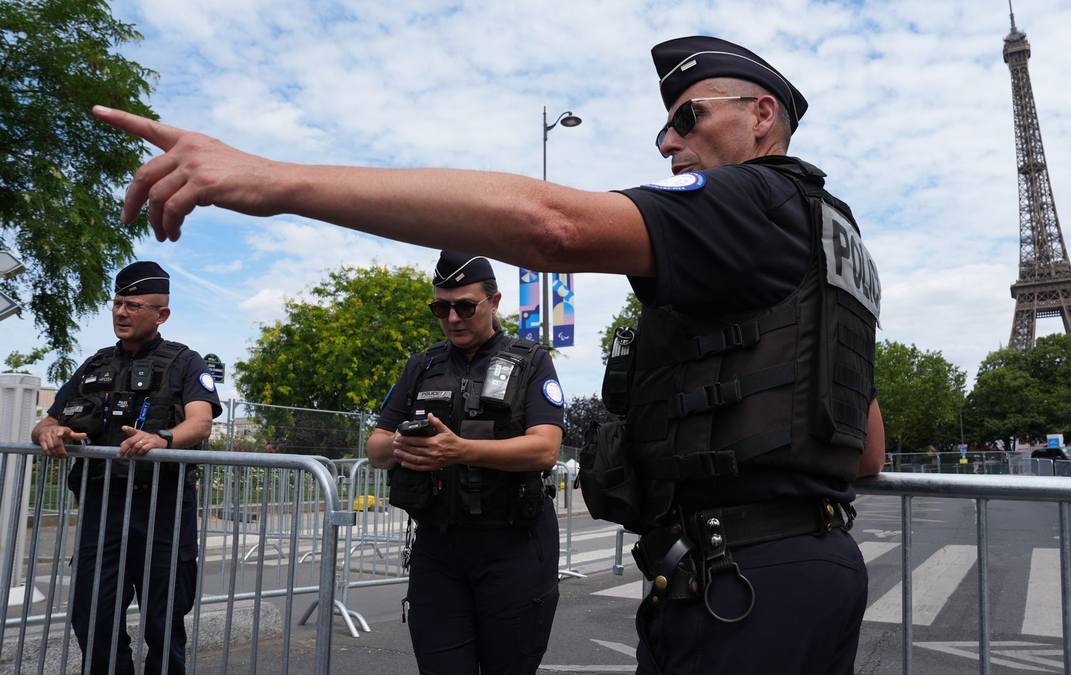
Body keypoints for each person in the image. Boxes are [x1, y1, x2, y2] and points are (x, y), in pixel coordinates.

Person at [95, 33, 886, 674]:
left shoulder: (753, 201)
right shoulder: (833, 240)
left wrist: (271, 182)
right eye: (663, 128)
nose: (668, 142)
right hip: (806, 567)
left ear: (761, 114)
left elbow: (553, 228)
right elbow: (865, 449)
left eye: (687, 116)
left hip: (739, 584)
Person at [365, 251, 565, 674]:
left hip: (513, 548)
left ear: (495, 302)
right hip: (439, 552)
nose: (453, 318)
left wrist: (461, 450)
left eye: (465, 307)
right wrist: (402, 444)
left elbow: (545, 449)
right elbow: (376, 447)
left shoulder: (531, 360)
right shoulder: (422, 366)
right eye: (441, 308)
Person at [31, 262, 221, 675]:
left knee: (164, 619)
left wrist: (162, 439)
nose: (120, 312)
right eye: (117, 303)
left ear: (161, 314)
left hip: (163, 505)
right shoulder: (94, 364)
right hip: (102, 506)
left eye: (133, 306)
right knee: (92, 615)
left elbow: (201, 422)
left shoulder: (186, 362)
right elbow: (45, 422)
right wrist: (49, 432)